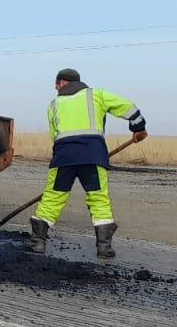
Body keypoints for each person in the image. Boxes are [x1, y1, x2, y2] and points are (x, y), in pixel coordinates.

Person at [29, 68, 148, 258]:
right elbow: (128, 107)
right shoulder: (97, 95)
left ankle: (37, 243)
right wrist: (138, 127)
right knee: (98, 198)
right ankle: (104, 248)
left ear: (61, 83)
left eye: (56, 85)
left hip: (64, 156)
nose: (56, 89)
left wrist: (60, 157)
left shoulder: (53, 104)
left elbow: (55, 136)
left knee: (53, 197)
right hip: (93, 155)